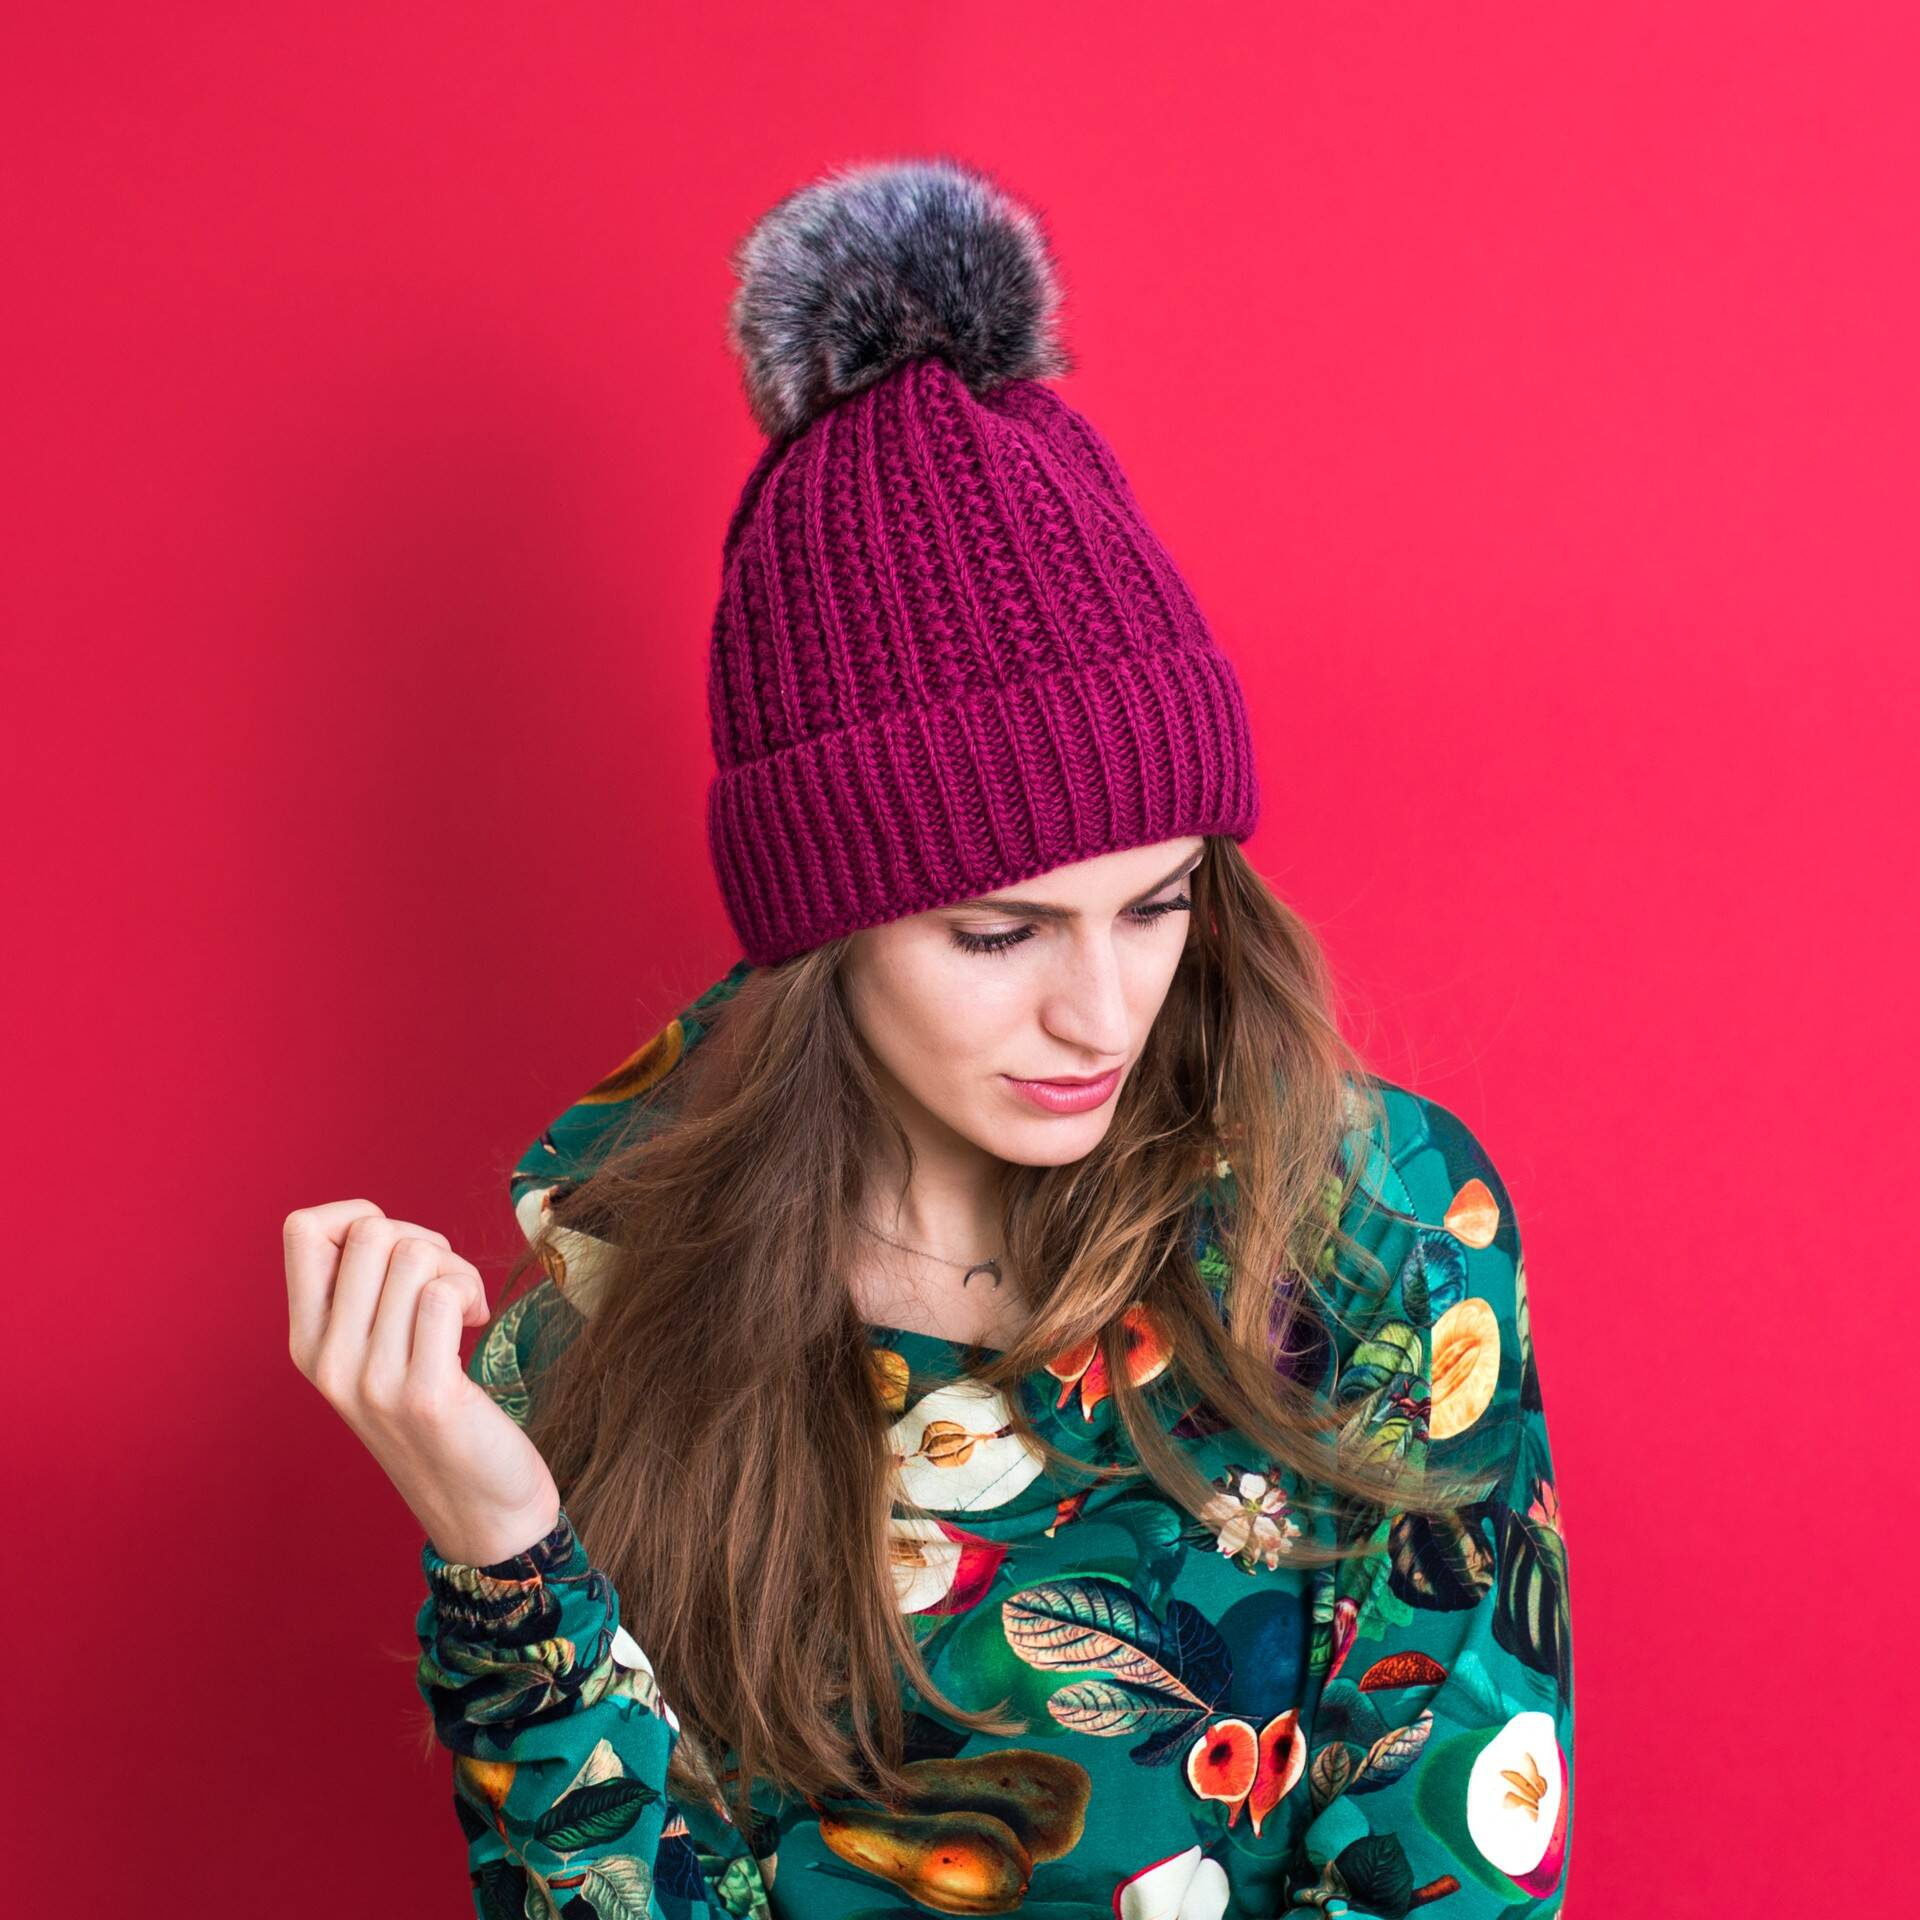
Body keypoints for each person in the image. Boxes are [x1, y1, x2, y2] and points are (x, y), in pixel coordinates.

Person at [285, 156, 1574, 1919]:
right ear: (824, 936)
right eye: (998, 932)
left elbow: (1454, 1870)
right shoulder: (605, 1307)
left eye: (1158, 904)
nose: (1101, 1012)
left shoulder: (1381, 1230)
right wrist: (508, 1556)